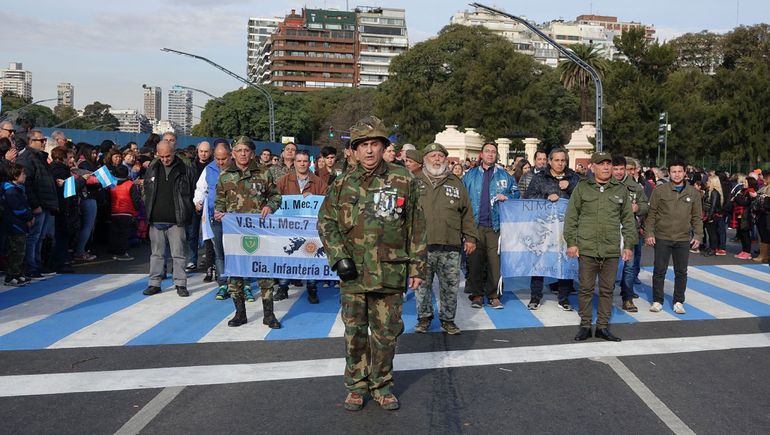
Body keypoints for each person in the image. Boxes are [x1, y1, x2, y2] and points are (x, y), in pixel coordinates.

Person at [317, 116, 426, 411]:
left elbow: (416, 225)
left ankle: (382, 385)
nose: (368, 151)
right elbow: (326, 222)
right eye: (362, 145)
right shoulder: (342, 183)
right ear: (353, 150)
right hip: (352, 274)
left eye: (374, 144)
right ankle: (356, 386)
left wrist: (417, 267)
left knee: (386, 334)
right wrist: (338, 256)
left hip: (389, 272)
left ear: (383, 147)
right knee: (354, 333)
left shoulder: (403, 180)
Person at [564, 152, 637, 342]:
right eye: (601, 164)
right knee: (586, 288)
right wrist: (571, 242)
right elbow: (571, 218)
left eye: (608, 164)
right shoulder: (582, 188)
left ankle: (603, 326)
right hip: (587, 248)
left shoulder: (620, 190)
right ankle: (586, 325)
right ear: (593, 167)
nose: (605, 167)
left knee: (607, 290)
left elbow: (628, 221)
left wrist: (628, 245)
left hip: (611, 250)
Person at [215, 137, 282, 328]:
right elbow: (219, 201)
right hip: (235, 233)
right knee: (235, 274)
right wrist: (219, 212)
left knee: (265, 273)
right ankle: (240, 313)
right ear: (233, 153)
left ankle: (269, 315)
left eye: (246, 150)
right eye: (239, 150)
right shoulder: (225, 176)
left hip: (259, 232)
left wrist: (270, 206)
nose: (243, 154)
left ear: (252, 153)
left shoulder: (264, 173)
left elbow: (276, 196)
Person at [413, 143, 477, 335]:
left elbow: (467, 213)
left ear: (446, 159)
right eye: (432, 156)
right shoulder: (413, 181)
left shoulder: (456, 182)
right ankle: (424, 318)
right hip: (422, 246)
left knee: (450, 286)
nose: (437, 159)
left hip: (450, 245)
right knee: (422, 286)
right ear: (425, 159)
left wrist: (470, 237)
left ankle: (448, 320)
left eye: (440, 156)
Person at [523, 147, 580, 311]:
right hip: (543, 228)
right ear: (549, 161)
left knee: (565, 261)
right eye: (557, 160)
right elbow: (529, 198)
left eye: (563, 160)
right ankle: (535, 297)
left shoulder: (574, 178)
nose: (560, 163)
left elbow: (583, 198)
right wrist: (546, 198)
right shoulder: (540, 178)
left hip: (566, 229)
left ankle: (564, 298)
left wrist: (569, 187)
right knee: (539, 262)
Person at [644, 160, 704, 315]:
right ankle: (657, 300)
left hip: (683, 238)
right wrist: (649, 233)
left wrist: (698, 235)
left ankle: (678, 301)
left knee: (681, 272)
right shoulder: (660, 191)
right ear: (669, 173)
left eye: (679, 171)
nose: (677, 174)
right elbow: (651, 215)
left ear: (685, 173)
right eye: (673, 171)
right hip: (662, 237)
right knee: (659, 270)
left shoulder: (693, 193)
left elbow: (697, 217)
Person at [463, 142, 518, 309]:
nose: (490, 154)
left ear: (496, 155)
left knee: (495, 263)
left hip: (496, 227)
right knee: (474, 262)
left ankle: (494, 295)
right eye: (487, 151)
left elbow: (517, 194)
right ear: (481, 154)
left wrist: (507, 196)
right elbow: (463, 202)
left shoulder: (505, 176)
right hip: (474, 227)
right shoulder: (469, 176)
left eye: (493, 152)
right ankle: (477, 295)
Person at [142, 140, 196, 297]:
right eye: (162, 156)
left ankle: (180, 283)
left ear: (174, 152)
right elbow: (147, 189)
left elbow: (193, 190)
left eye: (168, 155)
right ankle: (154, 283)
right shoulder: (152, 167)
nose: (165, 159)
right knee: (156, 254)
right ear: (157, 154)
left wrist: (188, 211)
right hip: (156, 217)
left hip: (177, 219)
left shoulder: (185, 169)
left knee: (178, 253)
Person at [275, 149, 328, 303]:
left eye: (305, 161)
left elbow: (327, 201)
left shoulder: (318, 182)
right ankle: (283, 287)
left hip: (310, 229)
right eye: (299, 161)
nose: (302, 164)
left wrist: (315, 198)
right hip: (288, 227)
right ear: (295, 162)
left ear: (308, 163)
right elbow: (274, 198)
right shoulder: (284, 181)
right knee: (286, 256)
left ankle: (312, 289)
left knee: (311, 257)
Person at [16, 130, 59, 279]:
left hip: (45, 203)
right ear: (31, 141)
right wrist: (35, 205)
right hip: (38, 204)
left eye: (44, 141)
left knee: (39, 237)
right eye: (41, 141)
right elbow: (27, 185)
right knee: (34, 237)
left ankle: (36, 264)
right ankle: (31, 266)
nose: (44, 143)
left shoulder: (39, 158)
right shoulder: (27, 158)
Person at [194, 143, 232, 298]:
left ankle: (242, 283)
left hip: (234, 219)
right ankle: (223, 283)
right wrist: (198, 201)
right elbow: (200, 188)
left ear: (230, 156)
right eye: (217, 158)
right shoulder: (209, 169)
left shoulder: (238, 169)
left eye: (223, 159)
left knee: (236, 252)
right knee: (219, 252)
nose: (220, 162)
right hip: (214, 216)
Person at [615, 156, 649, 312]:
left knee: (629, 266)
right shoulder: (605, 184)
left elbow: (645, 206)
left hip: (629, 231)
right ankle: (605, 297)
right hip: (609, 231)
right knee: (608, 266)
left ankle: (627, 298)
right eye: (616, 168)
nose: (619, 172)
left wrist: (638, 208)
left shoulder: (635, 187)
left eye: (622, 169)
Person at [1, 164, 34, 286]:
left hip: (20, 224)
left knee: (21, 251)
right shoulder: (11, 191)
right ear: (15, 176)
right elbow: (18, 209)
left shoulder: (18, 189)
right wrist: (29, 216)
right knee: (16, 251)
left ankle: (18, 273)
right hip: (14, 225)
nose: (25, 176)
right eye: (22, 174)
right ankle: (10, 276)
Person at [185, 141, 213, 272]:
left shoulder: (214, 166)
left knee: (210, 234)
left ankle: (210, 260)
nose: (203, 154)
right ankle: (192, 259)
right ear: (197, 151)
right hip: (194, 204)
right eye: (201, 151)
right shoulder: (190, 166)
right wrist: (195, 202)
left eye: (206, 151)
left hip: (211, 205)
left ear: (210, 152)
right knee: (192, 233)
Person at [109, 164, 141, 261]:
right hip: (127, 212)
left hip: (114, 211)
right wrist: (136, 211)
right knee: (124, 234)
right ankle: (122, 253)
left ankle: (115, 251)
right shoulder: (131, 184)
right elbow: (136, 199)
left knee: (115, 233)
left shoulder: (112, 184)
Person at [732, 177, 757, 259]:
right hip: (740, 215)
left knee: (745, 234)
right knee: (741, 234)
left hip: (746, 215)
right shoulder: (742, 191)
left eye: (746, 182)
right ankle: (744, 250)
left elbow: (745, 202)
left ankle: (747, 252)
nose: (744, 183)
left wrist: (736, 198)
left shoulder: (750, 191)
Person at [702, 175, 724, 257]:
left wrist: (709, 216)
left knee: (712, 233)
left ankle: (713, 248)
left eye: (708, 181)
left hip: (713, 215)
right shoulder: (709, 191)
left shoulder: (714, 192)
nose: (707, 182)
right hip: (708, 213)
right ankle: (711, 247)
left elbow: (713, 206)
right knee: (710, 232)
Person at [753, 170, 770, 263]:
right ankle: (763, 255)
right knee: (763, 235)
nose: (763, 178)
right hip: (762, 214)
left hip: (767, 215)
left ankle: (763, 255)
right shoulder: (764, 187)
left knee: (765, 236)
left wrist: (764, 198)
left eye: (764, 177)